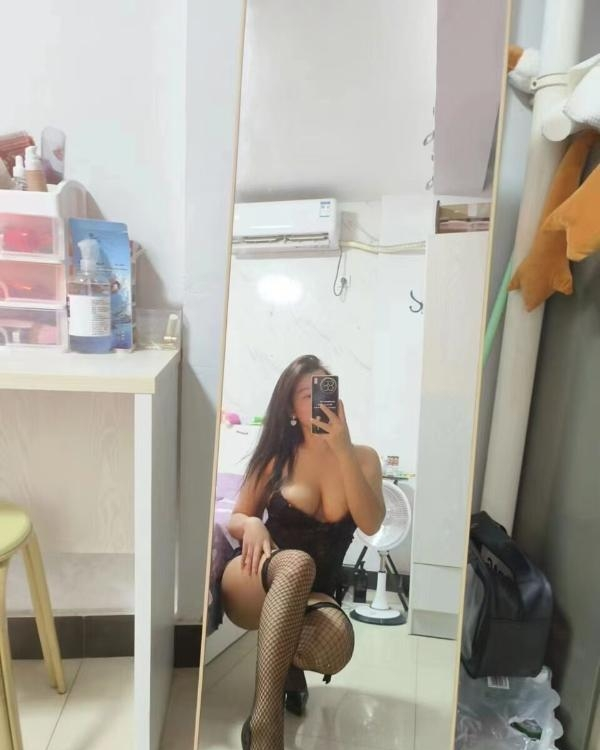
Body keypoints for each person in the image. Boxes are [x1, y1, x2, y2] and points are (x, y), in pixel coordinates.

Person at [221, 354, 385, 750]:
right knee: (296, 564)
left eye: (323, 390)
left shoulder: (363, 458)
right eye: (305, 394)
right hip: (256, 577)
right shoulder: (275, 459)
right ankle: (264, 724)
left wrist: (342, 449)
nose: (316, 400)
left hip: (313, 592)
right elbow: (238, 517)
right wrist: (253, 524)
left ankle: (289, 671)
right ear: (291, 410)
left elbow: (371, 523)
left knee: (336, 642)